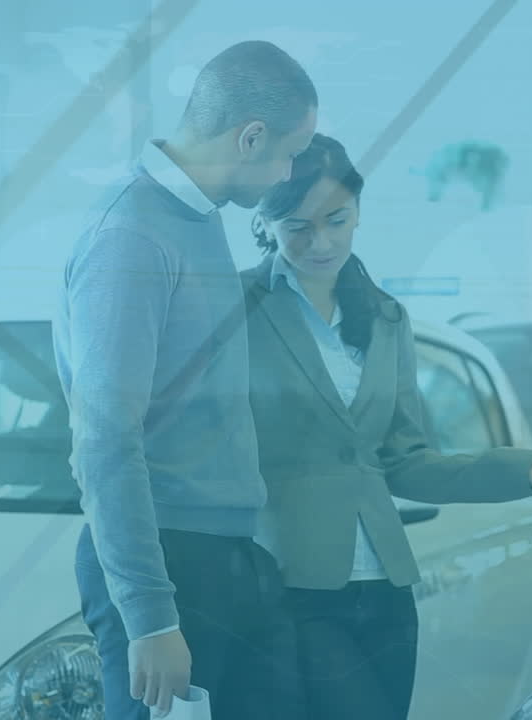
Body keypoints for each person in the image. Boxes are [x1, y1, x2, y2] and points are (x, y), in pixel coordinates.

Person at [242, 134, 532, 720]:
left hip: (386, 590)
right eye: (297, 227)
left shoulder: (387, 317)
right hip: (291, 585)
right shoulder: (237, 310)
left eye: (337, 220)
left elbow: (406, 462)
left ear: (359, 210)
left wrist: (527, 470)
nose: (321, 242)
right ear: (265, 222)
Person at [52, 41, 316, 719]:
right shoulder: (132, 234)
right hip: (169, 563)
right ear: (250, 137)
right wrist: (150, 617)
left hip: (226, 555)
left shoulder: (197, 219)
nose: (289, 172)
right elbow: (105, 438)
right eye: (289, 153)